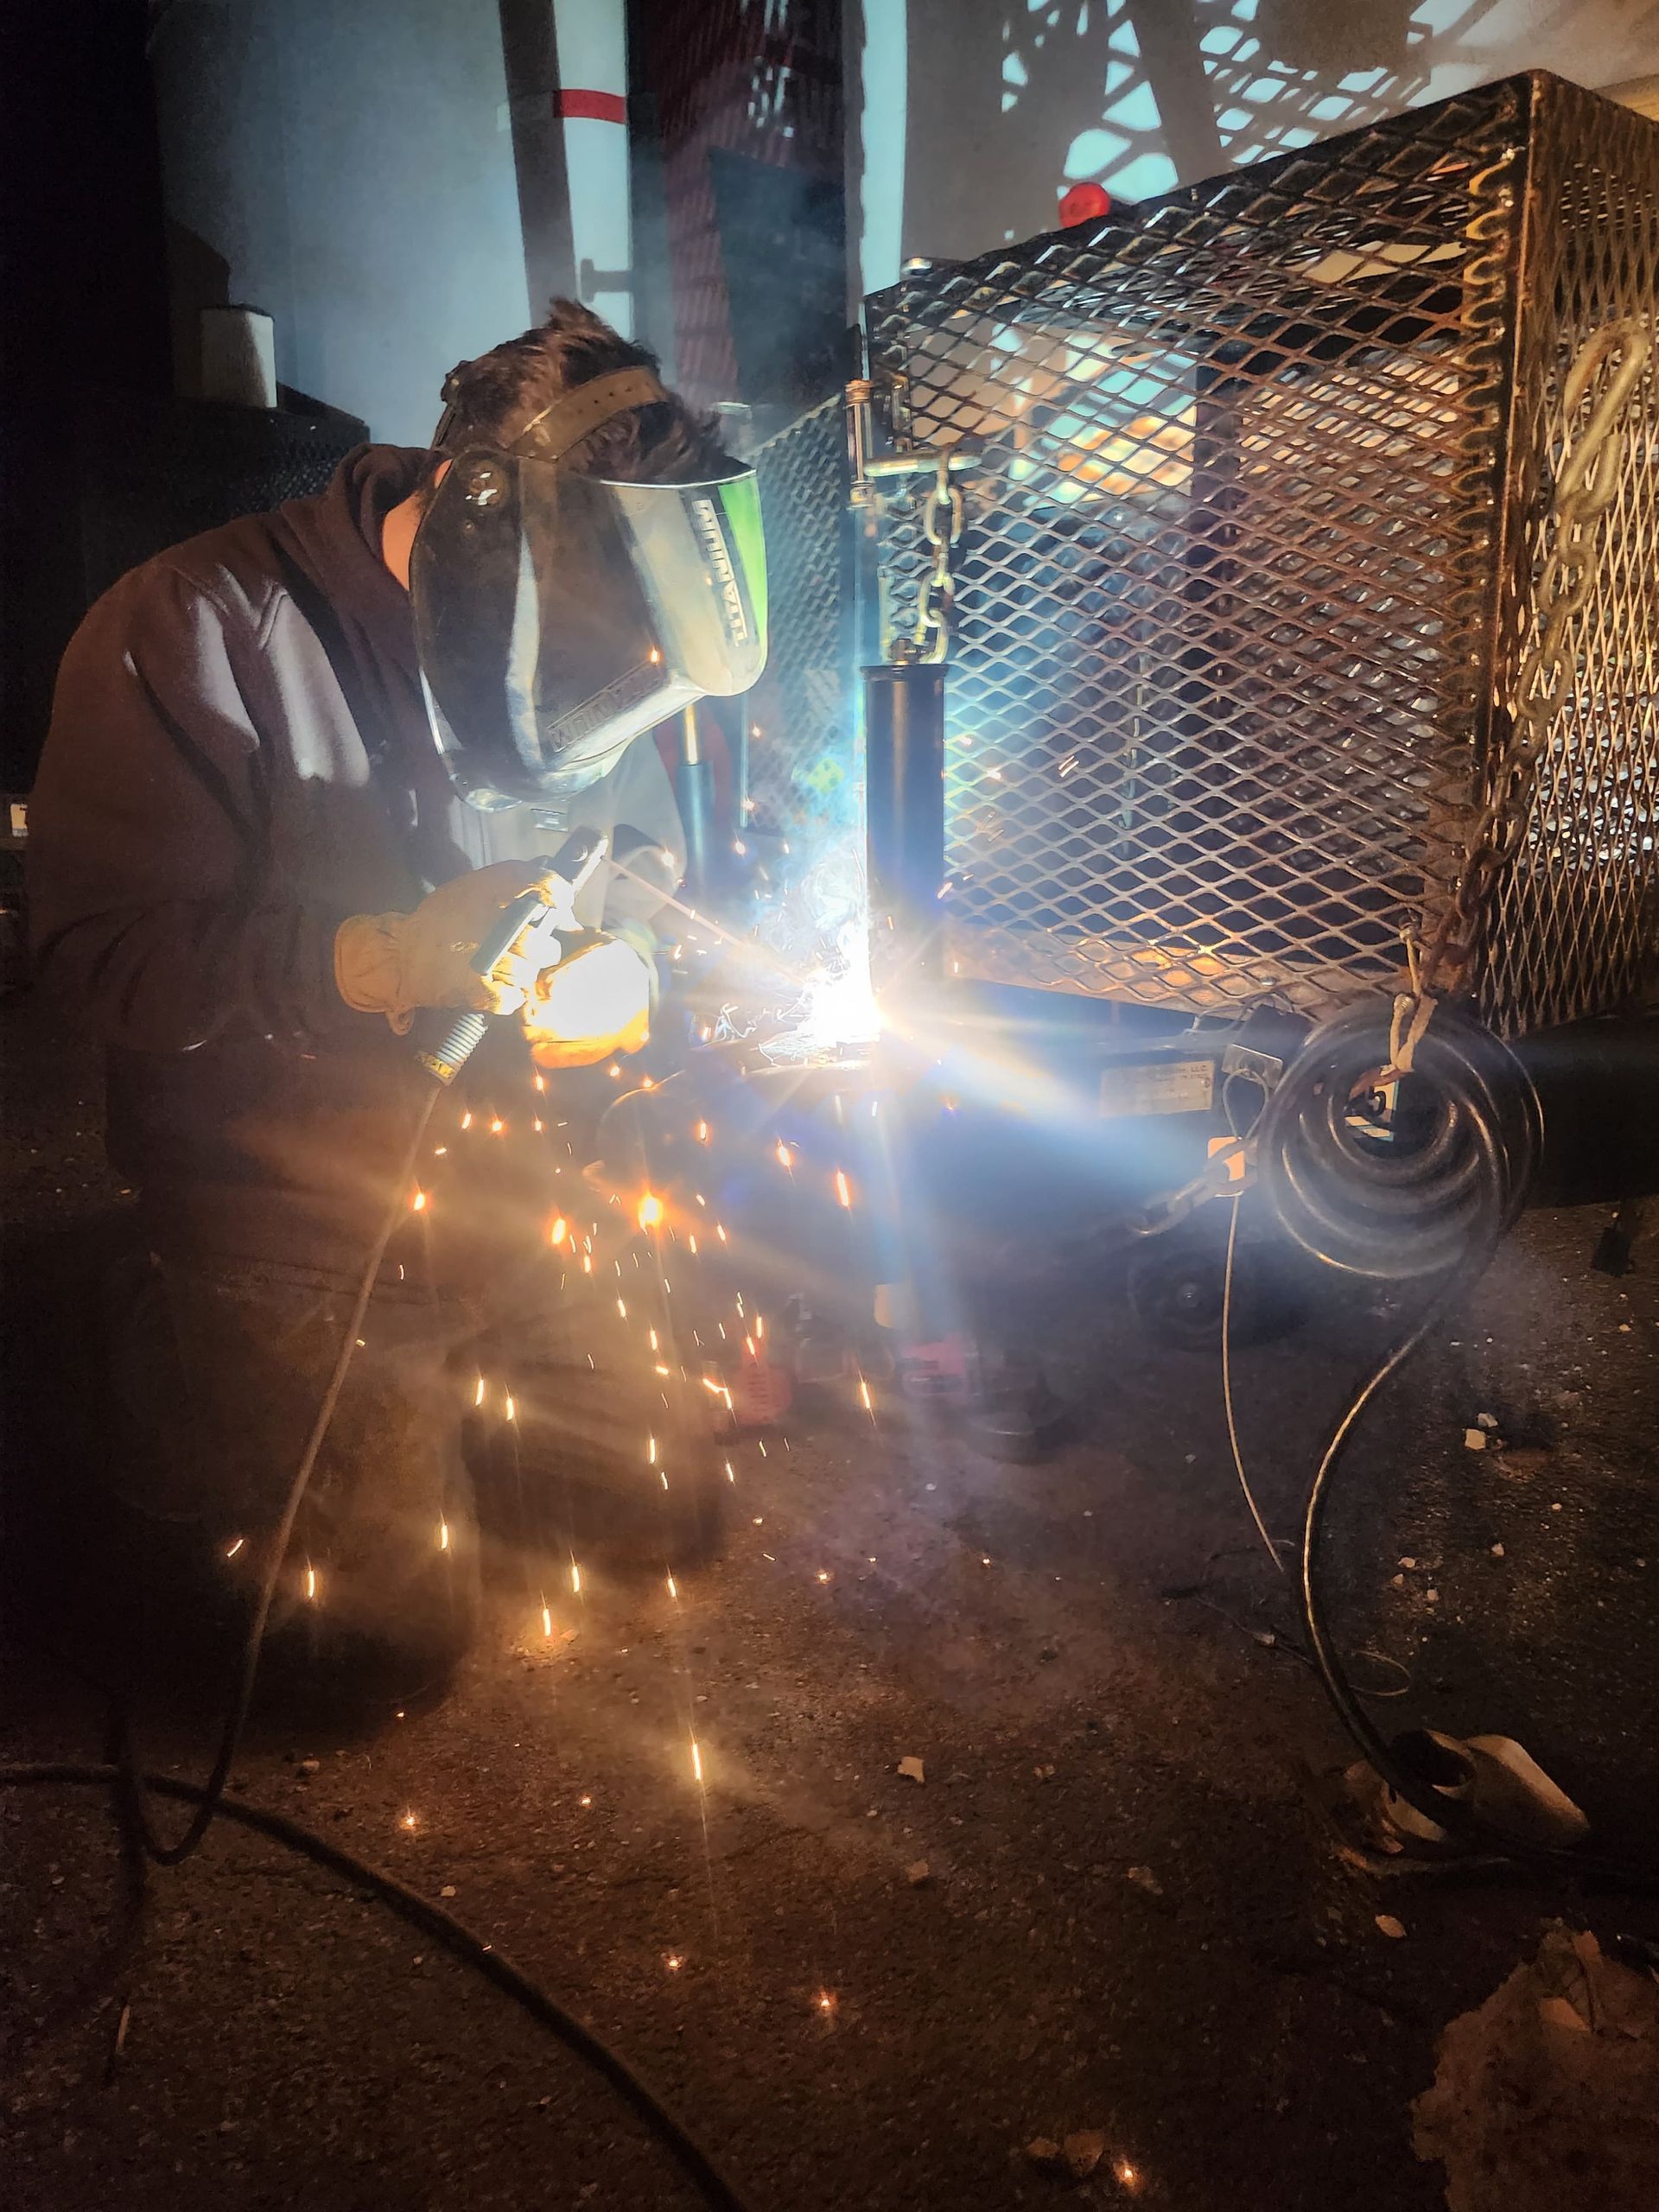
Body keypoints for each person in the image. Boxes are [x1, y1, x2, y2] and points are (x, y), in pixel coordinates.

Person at [26, 299, 767, 1708]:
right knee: (361, 1663)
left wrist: (626, 963)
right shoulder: (188, 626)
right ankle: (153, 1357)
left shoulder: (599, 628)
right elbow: (93, 960)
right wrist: (370, 962)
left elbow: (642, 864)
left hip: (510, 1186)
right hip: (287, 1216)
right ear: (467, 514)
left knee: (657, 1527)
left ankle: (430, 1402)